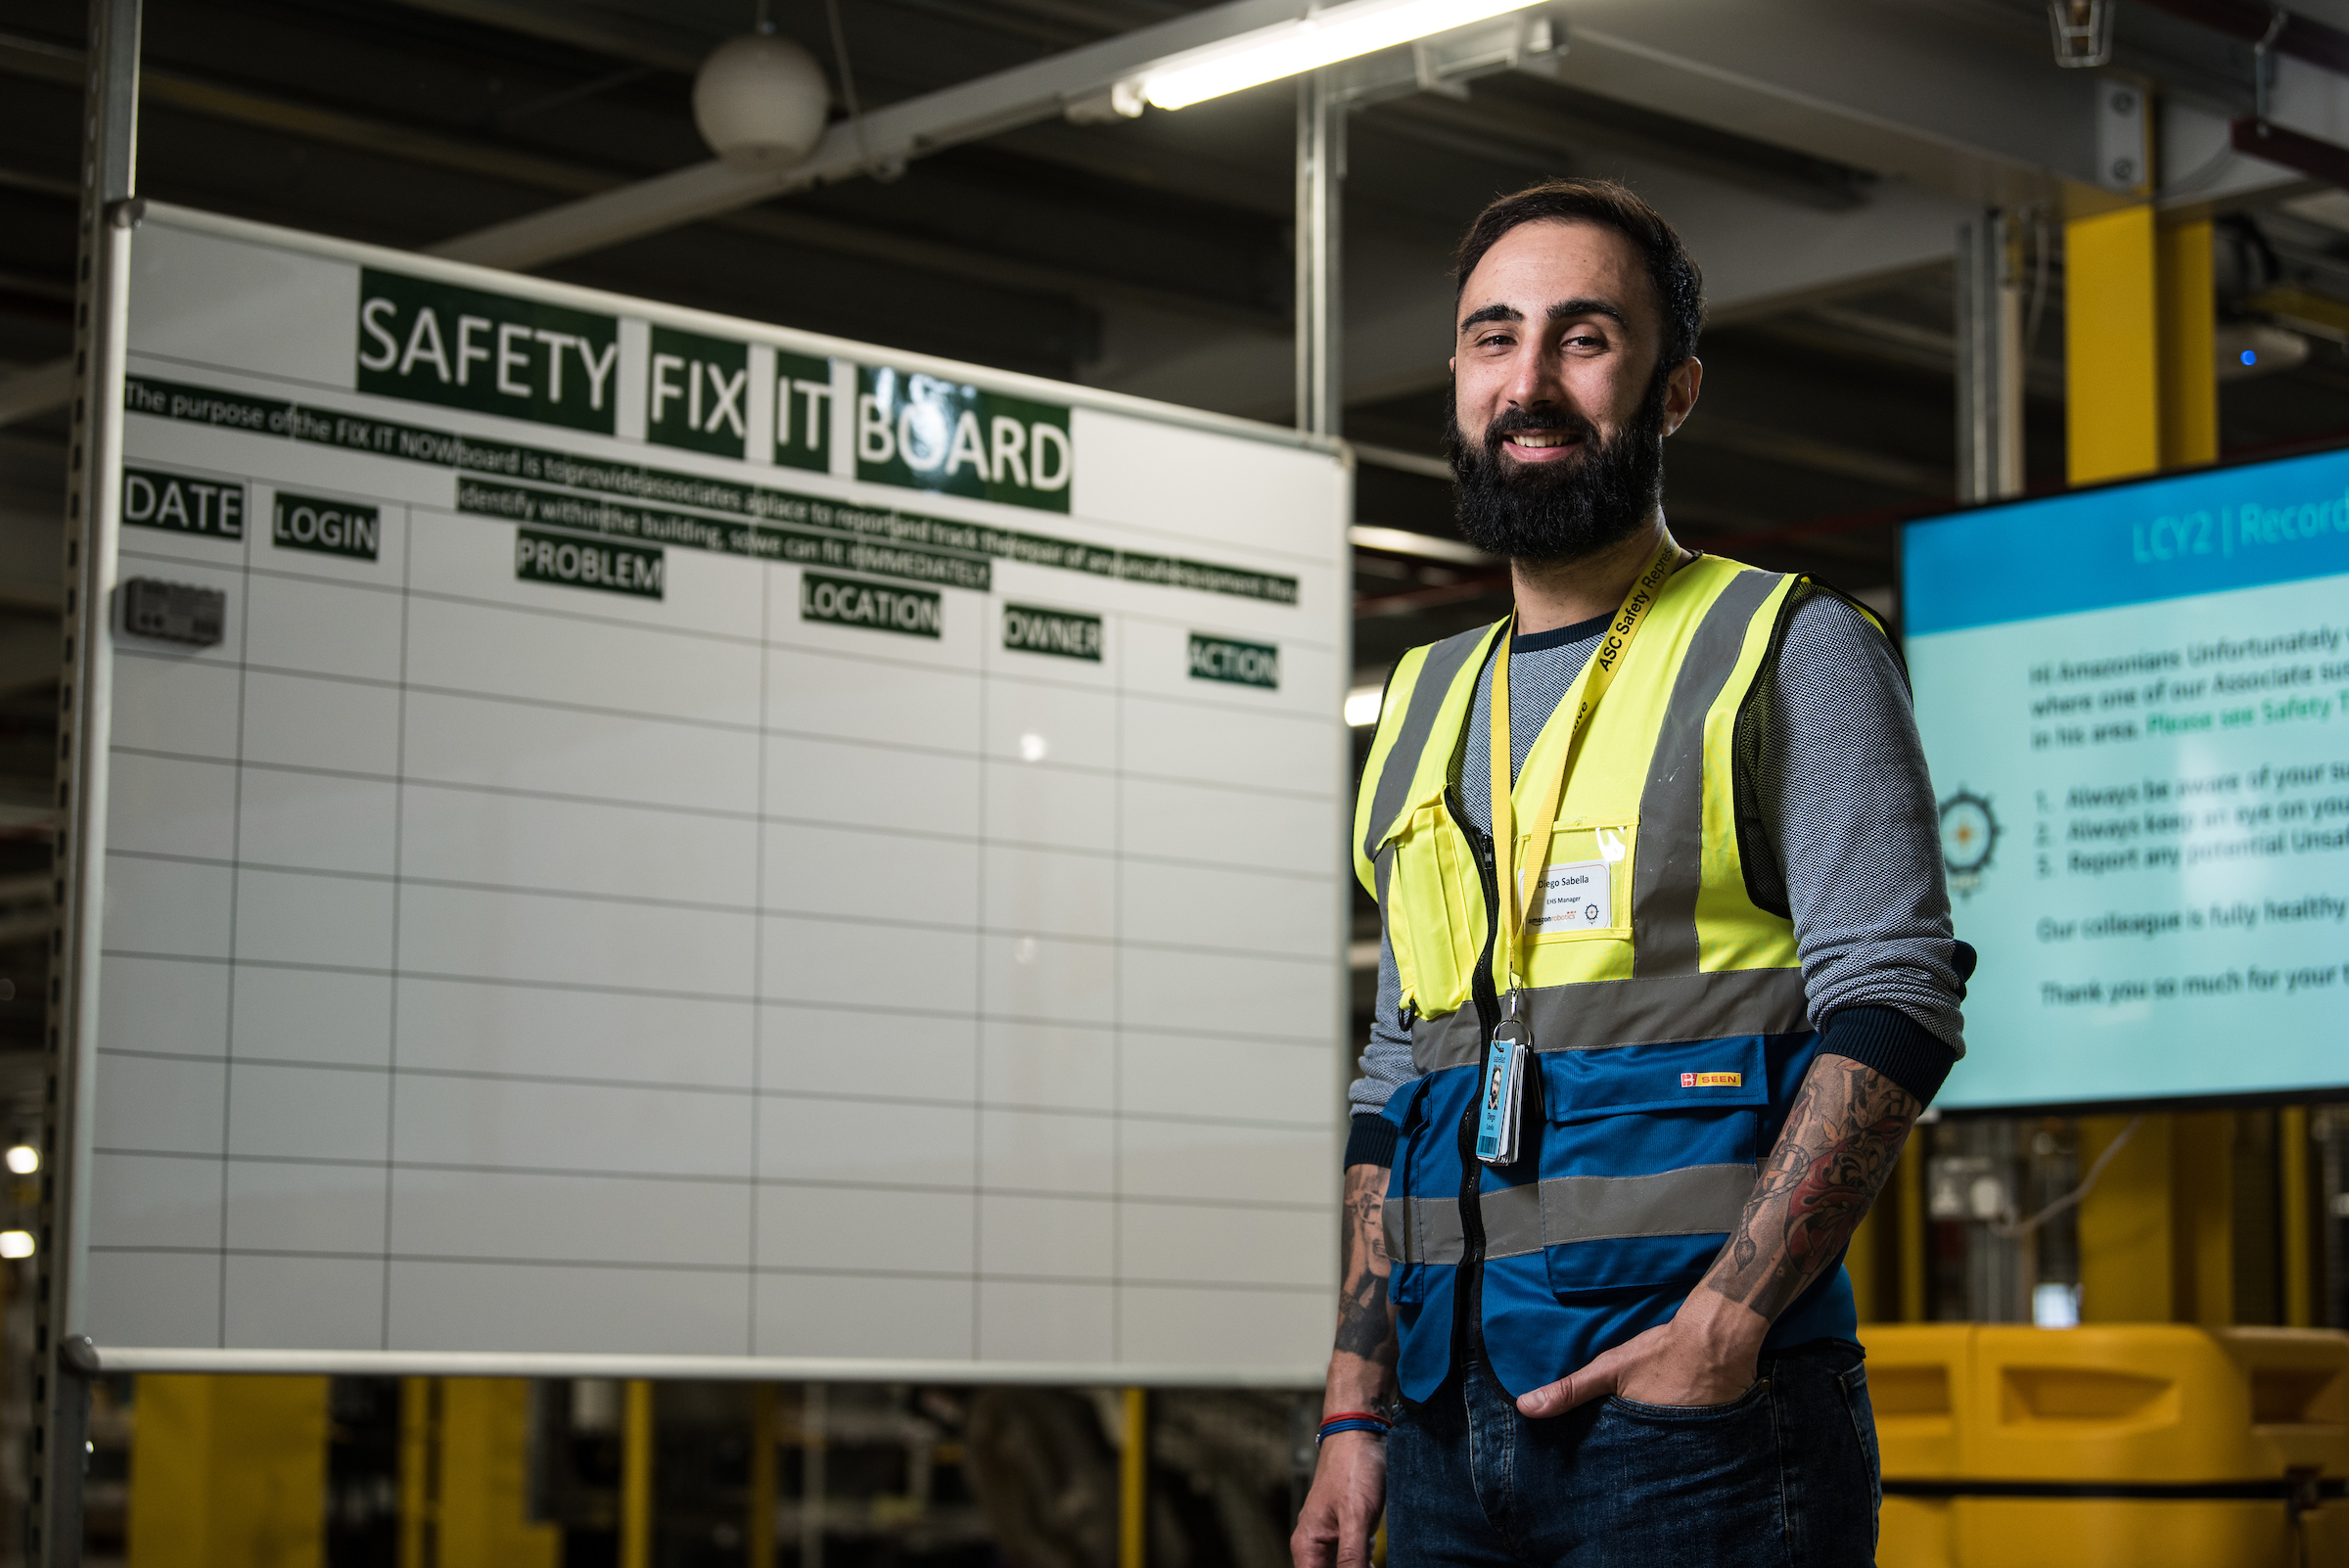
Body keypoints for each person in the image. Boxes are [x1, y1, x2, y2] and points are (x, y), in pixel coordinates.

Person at [1290, 178, 1971, 1568]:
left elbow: (1897, 1001)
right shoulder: (1420, 700)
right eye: (1494, 337)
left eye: (1584, 338)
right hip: (1439, 1431)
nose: (1528, 380)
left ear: (1676, 391)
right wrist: (1355, 1409)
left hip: (1696, 1429)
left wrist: (1721, 1331)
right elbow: (1396, 1074)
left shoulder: (1787, 648)